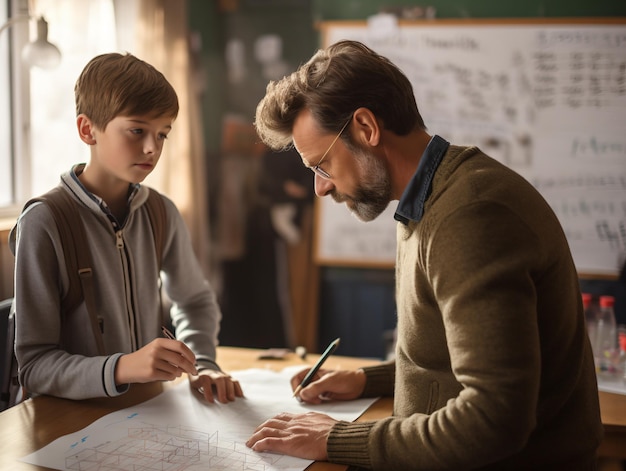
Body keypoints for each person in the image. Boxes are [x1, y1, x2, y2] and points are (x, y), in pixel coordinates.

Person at [246, 40, 603, 470]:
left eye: (322, 165)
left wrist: (337, 439)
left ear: (365, 127)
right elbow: (453, 358)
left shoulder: (470, 216)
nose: (320, 187)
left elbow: (495, 418)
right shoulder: (430, 197)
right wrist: (367, 378)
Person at [10, 53, 243, 404]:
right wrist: (122, 368)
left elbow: (195, 301)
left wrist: (205, 363)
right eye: (137, 130)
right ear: (88, 129)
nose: (152, 148)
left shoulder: (160, 212)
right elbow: (34, 366)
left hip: (145, 409)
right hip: (63, 422)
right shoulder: (44, 222)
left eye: (162, 134)